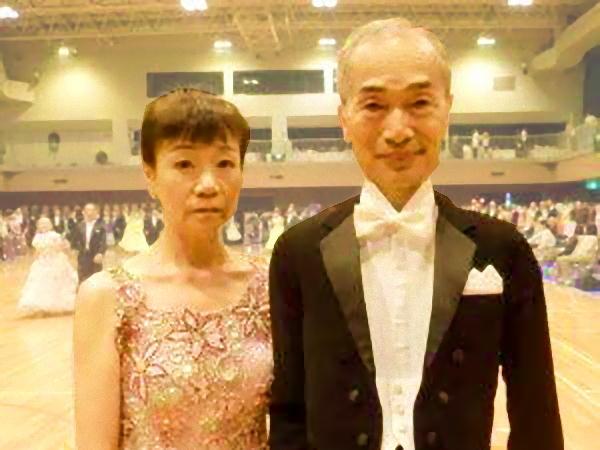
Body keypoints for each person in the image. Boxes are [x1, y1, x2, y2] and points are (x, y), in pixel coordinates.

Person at [268, 18, 563, 450]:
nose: (398, 131)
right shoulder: (298, 252)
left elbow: (535, 408)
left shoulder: (503, 248)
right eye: (373, 105)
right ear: (344, 118)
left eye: (420, 102)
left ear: (447, 109)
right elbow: (289, 412)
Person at [74, 88, 272, 449]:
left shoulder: (269, 287)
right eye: (184, 164)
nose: (209, 185)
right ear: (150, 175)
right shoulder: (107, 297)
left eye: (225, 163)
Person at [17, 217, 78, 316]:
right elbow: (36, 251)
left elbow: (64, 247)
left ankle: (59, 305)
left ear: (50, 225)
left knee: (57, 283)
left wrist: (57, 247)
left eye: (46, 224)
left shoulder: (55, 235)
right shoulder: (37, 237)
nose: (43, 226)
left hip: (56, 261)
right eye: (41, 224)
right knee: (40, 283)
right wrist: (35, 260)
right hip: (42, 262)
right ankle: (40, 307)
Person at [73, 203, 107, 283]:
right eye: (87, 210)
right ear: (83, 212)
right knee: (82, 279)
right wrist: (76, 250)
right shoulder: (79, 226)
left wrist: (100, 253)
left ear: (96, 212)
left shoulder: (101, 226)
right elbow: (74, 241)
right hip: (83, 256)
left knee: (97, 279)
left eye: (92, 210)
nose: (90, 213)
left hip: (95, 256)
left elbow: (103, 241)